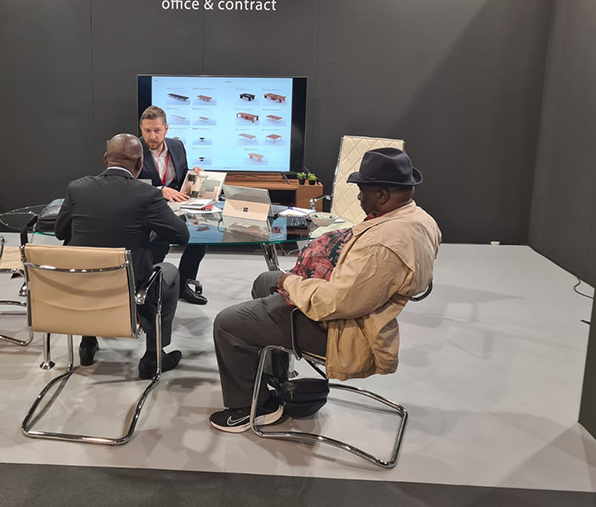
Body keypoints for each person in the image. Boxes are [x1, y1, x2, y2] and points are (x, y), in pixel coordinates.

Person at [209, 147, 442, 432]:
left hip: (344, 331)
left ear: (382, 195)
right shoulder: (422, 220)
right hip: (361, 310)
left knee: (228, 323)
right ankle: (275, 375)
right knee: (264, 280)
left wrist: (289, 282)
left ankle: (252, 407)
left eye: (363, 191)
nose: (359, 197)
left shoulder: (382, 243)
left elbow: (333, 303)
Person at [55, 134, 190, 379]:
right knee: (169, 273)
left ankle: (87, 344)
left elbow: (60, 232)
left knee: (91, 266)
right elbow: (181, 235)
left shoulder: (77, 188)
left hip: (81, 283)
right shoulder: (147, 195)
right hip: (131, 288)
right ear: (139, 164)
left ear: (106, 159)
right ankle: (153, 356)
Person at [139, 105, 209, 305]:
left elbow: (182, 174)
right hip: (148, 209)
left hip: (178, 207)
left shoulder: (177, 146)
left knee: (201, 237)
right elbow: (129, 183)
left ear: (166, 129)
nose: (152, 136)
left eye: (157, 130)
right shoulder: (134, 149)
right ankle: (149, 286)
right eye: (147, 131)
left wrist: (194, 174)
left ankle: (183, 284)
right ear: (141, 129)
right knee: (159, 240)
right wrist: (159, 190)